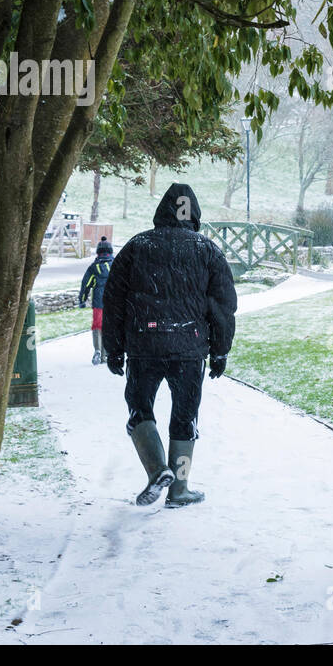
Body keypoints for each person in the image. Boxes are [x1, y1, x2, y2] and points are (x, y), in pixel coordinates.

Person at [102, 183, 237, 508]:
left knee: (139, 409)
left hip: (143, 346)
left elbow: (113, 301)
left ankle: (155, 470)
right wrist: (220, 350)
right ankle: (179, 489)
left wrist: (113, 347)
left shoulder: (137, 246)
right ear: (194, 213)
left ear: (162, 210)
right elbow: (223, 306)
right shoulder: (207, 250)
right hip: (190, 349)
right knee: (185, 418)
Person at [78, 236, 114, 365]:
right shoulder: (116, 265)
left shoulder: (94, 267)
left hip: (98, 302)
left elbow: (85, 285)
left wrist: (82, 300)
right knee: (110, 327)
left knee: (97, 326)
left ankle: (98, 350)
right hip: (113, 303)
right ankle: (107, 354)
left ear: (98, 253)